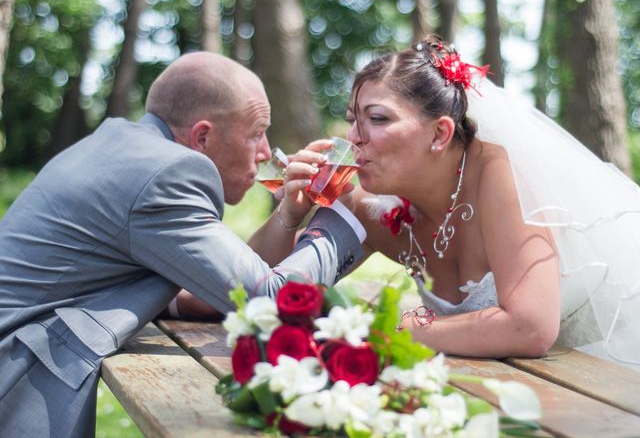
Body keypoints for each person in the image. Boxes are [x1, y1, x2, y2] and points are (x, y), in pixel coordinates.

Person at [0, 52, 365, 437]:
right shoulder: (165, 174)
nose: (265, 152)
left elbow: (223, 288)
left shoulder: (123, 145)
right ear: (203, 137)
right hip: (16, 379)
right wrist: (347, 219)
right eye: (257, 132)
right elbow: (272, 299)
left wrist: (288, 217)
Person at [342, 35, 640, 368]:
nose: (353, 137)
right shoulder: (372, 211)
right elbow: (277, 284)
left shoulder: (499, 173)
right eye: (352, 120)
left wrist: (396, 328)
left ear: (440, 133)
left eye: (378, 118)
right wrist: (291, 213)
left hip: (611, 372)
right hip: (523, 385)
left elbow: (531, 327)